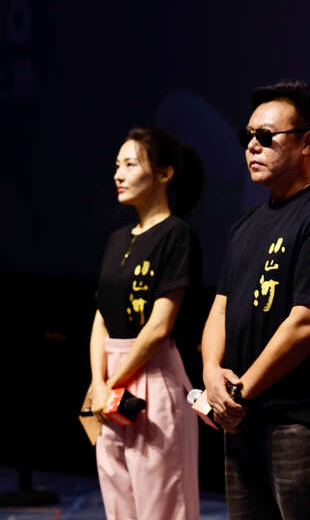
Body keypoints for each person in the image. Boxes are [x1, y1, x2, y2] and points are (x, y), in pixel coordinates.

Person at [201, 79, 310, 519]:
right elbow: (220, 306)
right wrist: (212, 373)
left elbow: (309, 319)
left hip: (301, 424)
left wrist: (238, 393)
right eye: (247, 136)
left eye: (265, 136)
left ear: (307, 142)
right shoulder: (246, 223)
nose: (251, 146)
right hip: (242, 419)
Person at [90, 126, 203, 519]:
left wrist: (112, 384)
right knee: (118, 503)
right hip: (109, 381)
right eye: (117, 165)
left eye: (130, 164)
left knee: (162, 506)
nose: (118, 174)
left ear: (164, 173)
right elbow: (102, 317)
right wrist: (98, 383)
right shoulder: (117, 239)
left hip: (152, 376)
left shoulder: (177, 235)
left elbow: (159, 326)